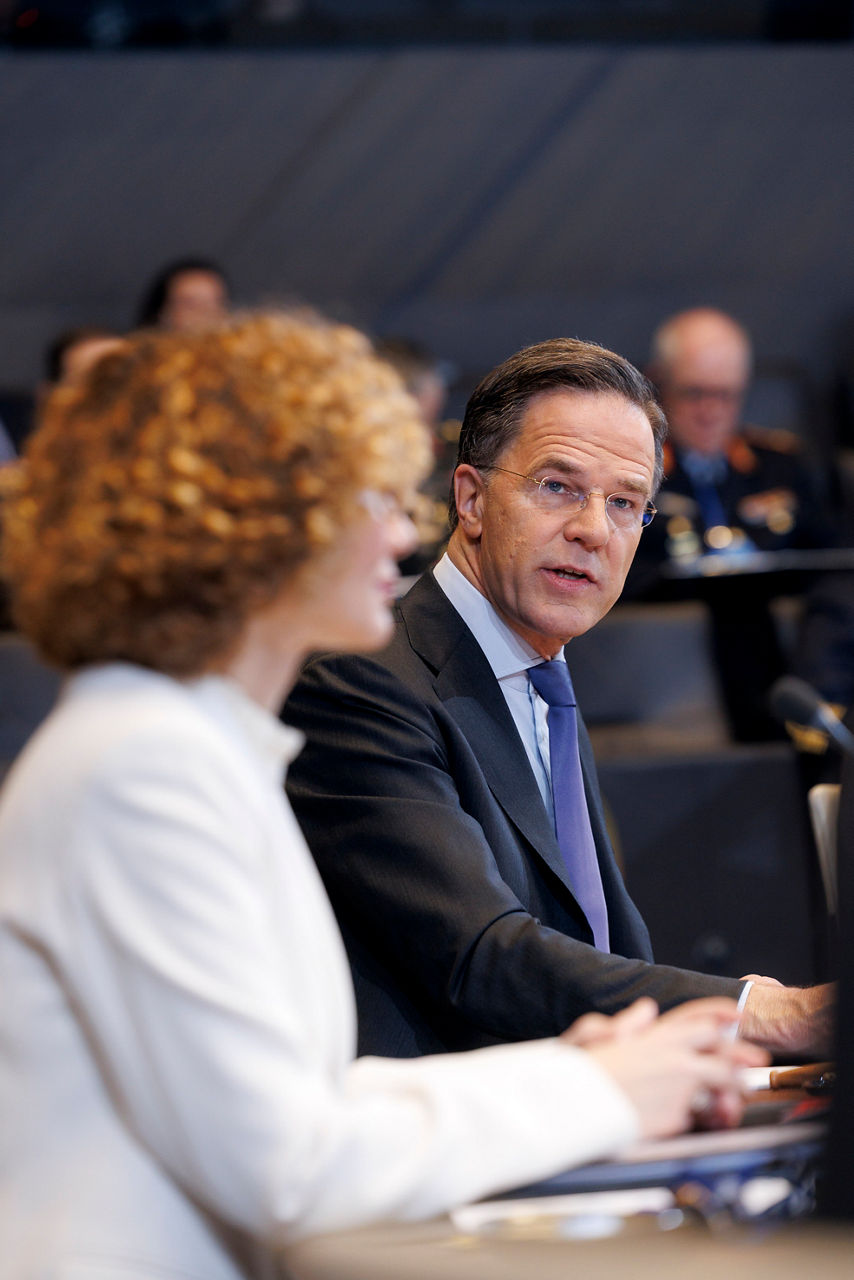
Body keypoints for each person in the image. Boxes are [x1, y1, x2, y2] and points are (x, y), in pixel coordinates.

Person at [0, 315, 761, 1278]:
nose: (404, 531)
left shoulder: (186, 748)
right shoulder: (143, 769)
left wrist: (600, 1075)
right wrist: (602, 1089)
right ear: (250, 528)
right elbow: (288, 1167)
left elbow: (319, 1100)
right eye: (371, 498)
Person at [284, 335, 833, 1061]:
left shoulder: (540, 673)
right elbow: (482, 955)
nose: (592, 530)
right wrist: (761, 1012)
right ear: (471, 499)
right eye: (557, 486)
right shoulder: (362, 684)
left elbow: (593, 950)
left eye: (624, 502)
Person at [626, 307, 834, 739]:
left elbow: (827, 552)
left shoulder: (778, 464)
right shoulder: (634, 472)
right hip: (686, 615)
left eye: (726, 395)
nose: (711, 411)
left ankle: (825, 716)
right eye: (694, 393)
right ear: (659, 385)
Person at [135, 255, 231, 331]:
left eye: (215, 304)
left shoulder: (235, 347)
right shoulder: (136, 349)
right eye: (190, 305)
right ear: (162, 313)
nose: (206, 314)